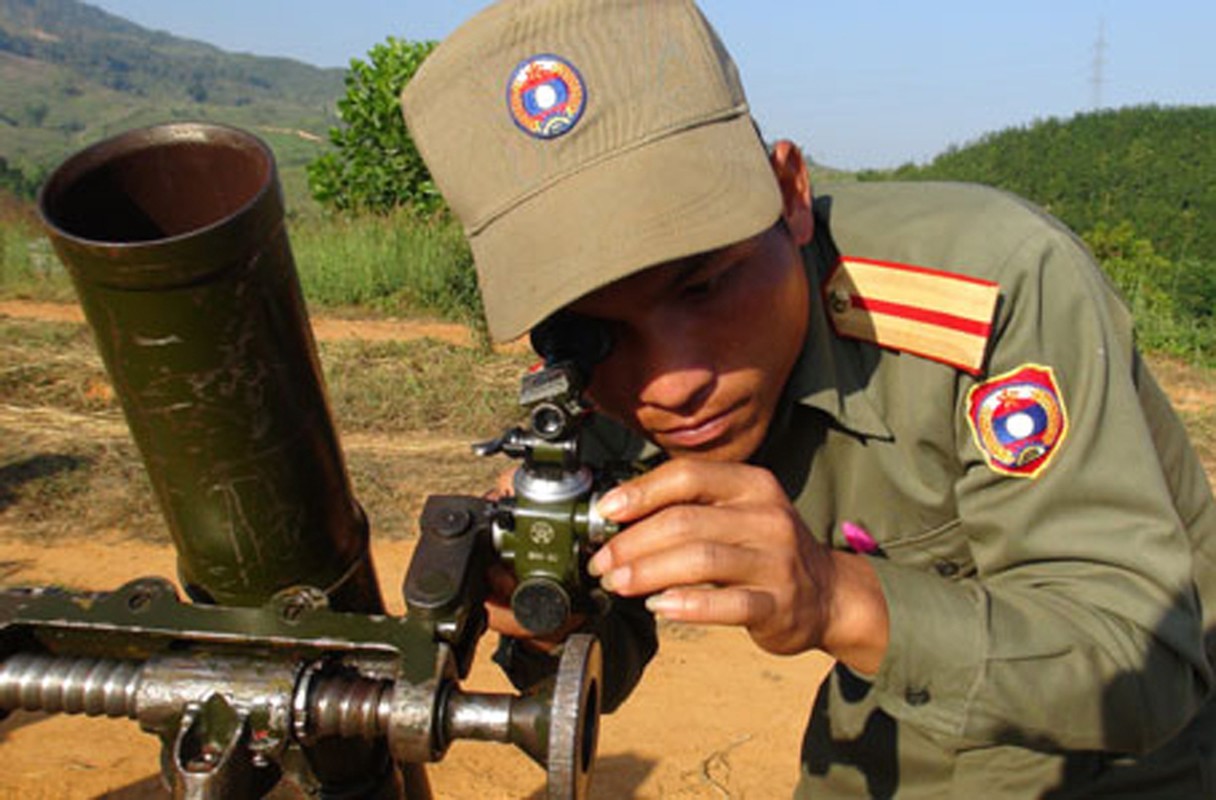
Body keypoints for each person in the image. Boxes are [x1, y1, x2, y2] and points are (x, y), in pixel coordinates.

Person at [401, 0, 1216, 795]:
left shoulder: (993, 290)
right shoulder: (594, 388)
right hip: (894, 704)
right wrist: (559, 613)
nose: (671, 382)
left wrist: (833, 597)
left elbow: (1145, 666)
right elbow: (606, 669)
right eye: (593, 335)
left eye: (706, 286)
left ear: (789, 193)